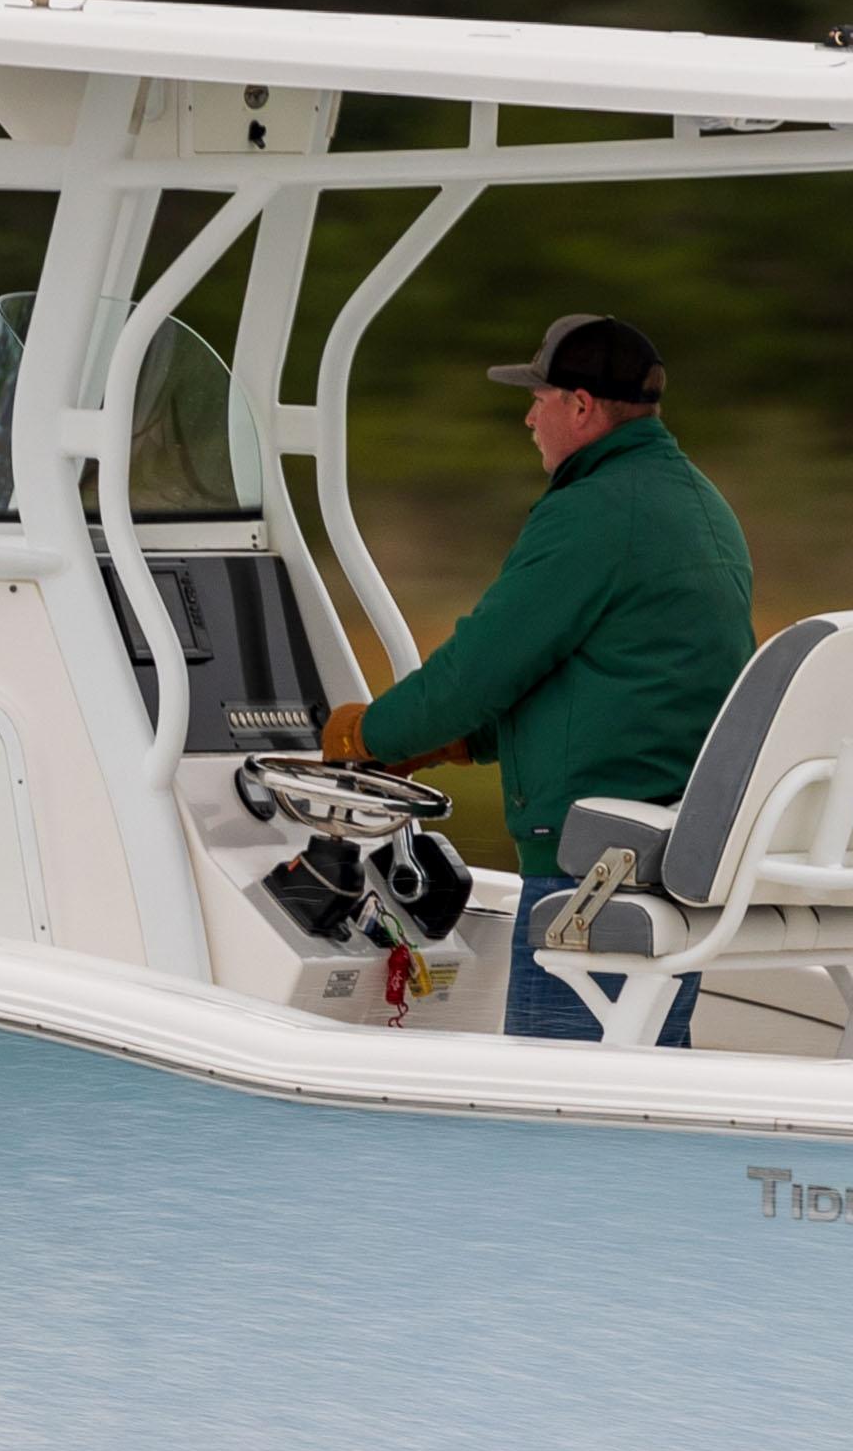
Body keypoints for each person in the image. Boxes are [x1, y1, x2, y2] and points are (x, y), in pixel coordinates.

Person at [322, 313, 754, 1041]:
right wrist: (460, 743)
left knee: (555, 1104)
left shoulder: (594, 511)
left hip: (592, 871)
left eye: (539, 397)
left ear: (580, 407)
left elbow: (477, 669)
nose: (529, 417)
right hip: (673, 859)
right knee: (637, 1090)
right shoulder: (696, 501)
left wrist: (367, 735)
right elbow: (614, 679)